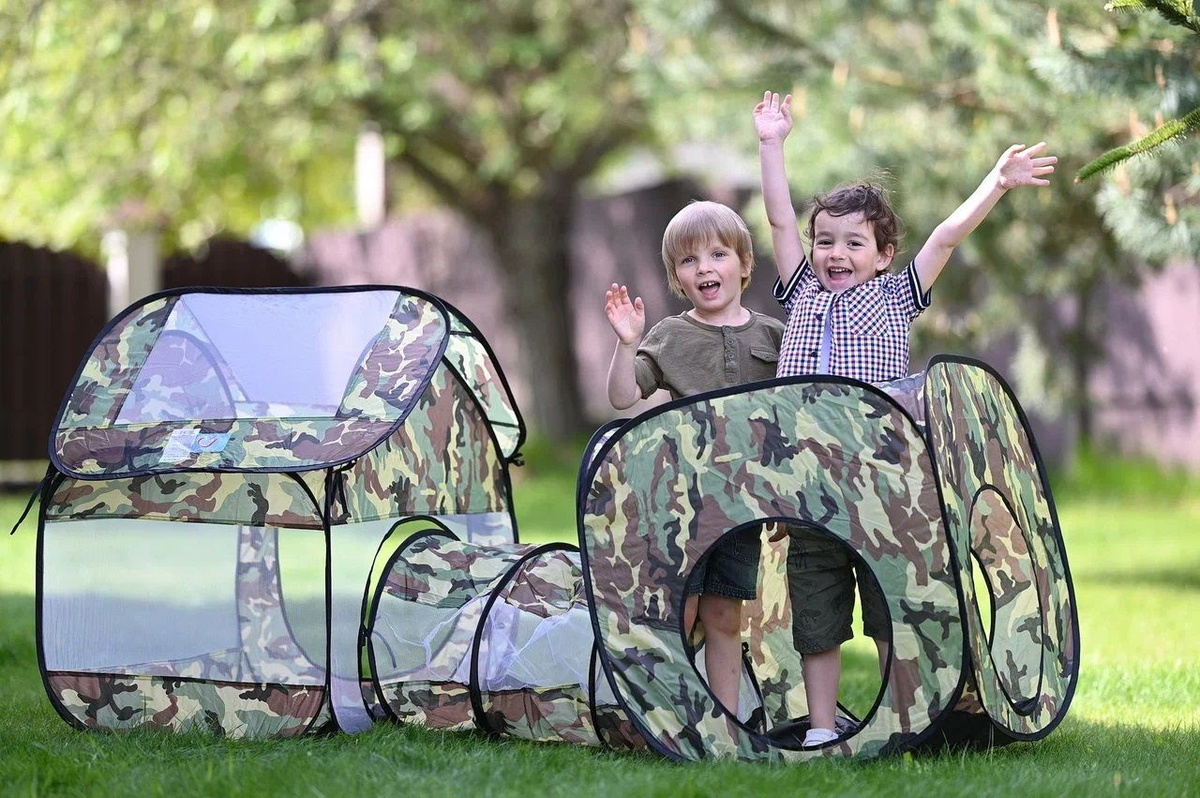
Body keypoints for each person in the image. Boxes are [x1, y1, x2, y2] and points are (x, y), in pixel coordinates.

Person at [753, 90, 1057, 747]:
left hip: (882, 483)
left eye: (853, 243)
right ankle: (823, 728)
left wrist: (996, 184)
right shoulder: (802, 288)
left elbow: (947, 234)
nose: (835, 253)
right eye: (825, 241)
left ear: (884, 253)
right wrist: (771, 145)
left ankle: (907, 717)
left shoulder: (896, 295)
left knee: (895, 603)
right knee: (816, 609)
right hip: (806, 484)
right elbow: (778, 222)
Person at [605, 200, 784, 719]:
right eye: (689, 261)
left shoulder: (774, 336)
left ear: (745, 264)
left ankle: (724, 724)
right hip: (679, 503)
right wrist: (628, 344)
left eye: (718, 254)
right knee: (679, 611)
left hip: (743, 505)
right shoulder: (669, 336)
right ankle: (669, 719)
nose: (705, 267)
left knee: (726, 613)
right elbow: (622, 397)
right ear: (677, 278)